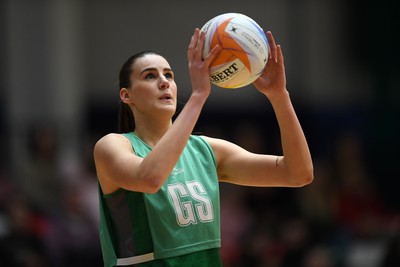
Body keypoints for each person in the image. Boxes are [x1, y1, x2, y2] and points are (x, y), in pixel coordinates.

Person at [93, 28, 313, 267]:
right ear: (126, 95)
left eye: (169, 75)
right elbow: (150, 178)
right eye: (150, 76)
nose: (164, 82)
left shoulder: (206, 151)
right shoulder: (112, 146)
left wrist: (279, 96)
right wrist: (198, 95)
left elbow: (298, 174)